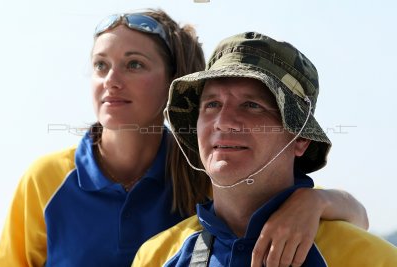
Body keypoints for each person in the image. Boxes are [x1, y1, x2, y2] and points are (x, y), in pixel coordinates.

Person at [0, 9, 367, 267]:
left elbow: (357, 219)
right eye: (100, 65)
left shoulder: (208, 170)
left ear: (174, 82)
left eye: (134, 64)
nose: (111, 79)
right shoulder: (44, 179)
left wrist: (312, 202)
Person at [132, 31, 397, 267]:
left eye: (251, 105)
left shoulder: (370, 259)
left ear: (301, 138)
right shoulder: (156, 257)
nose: (224, 122)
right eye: (212, 104)